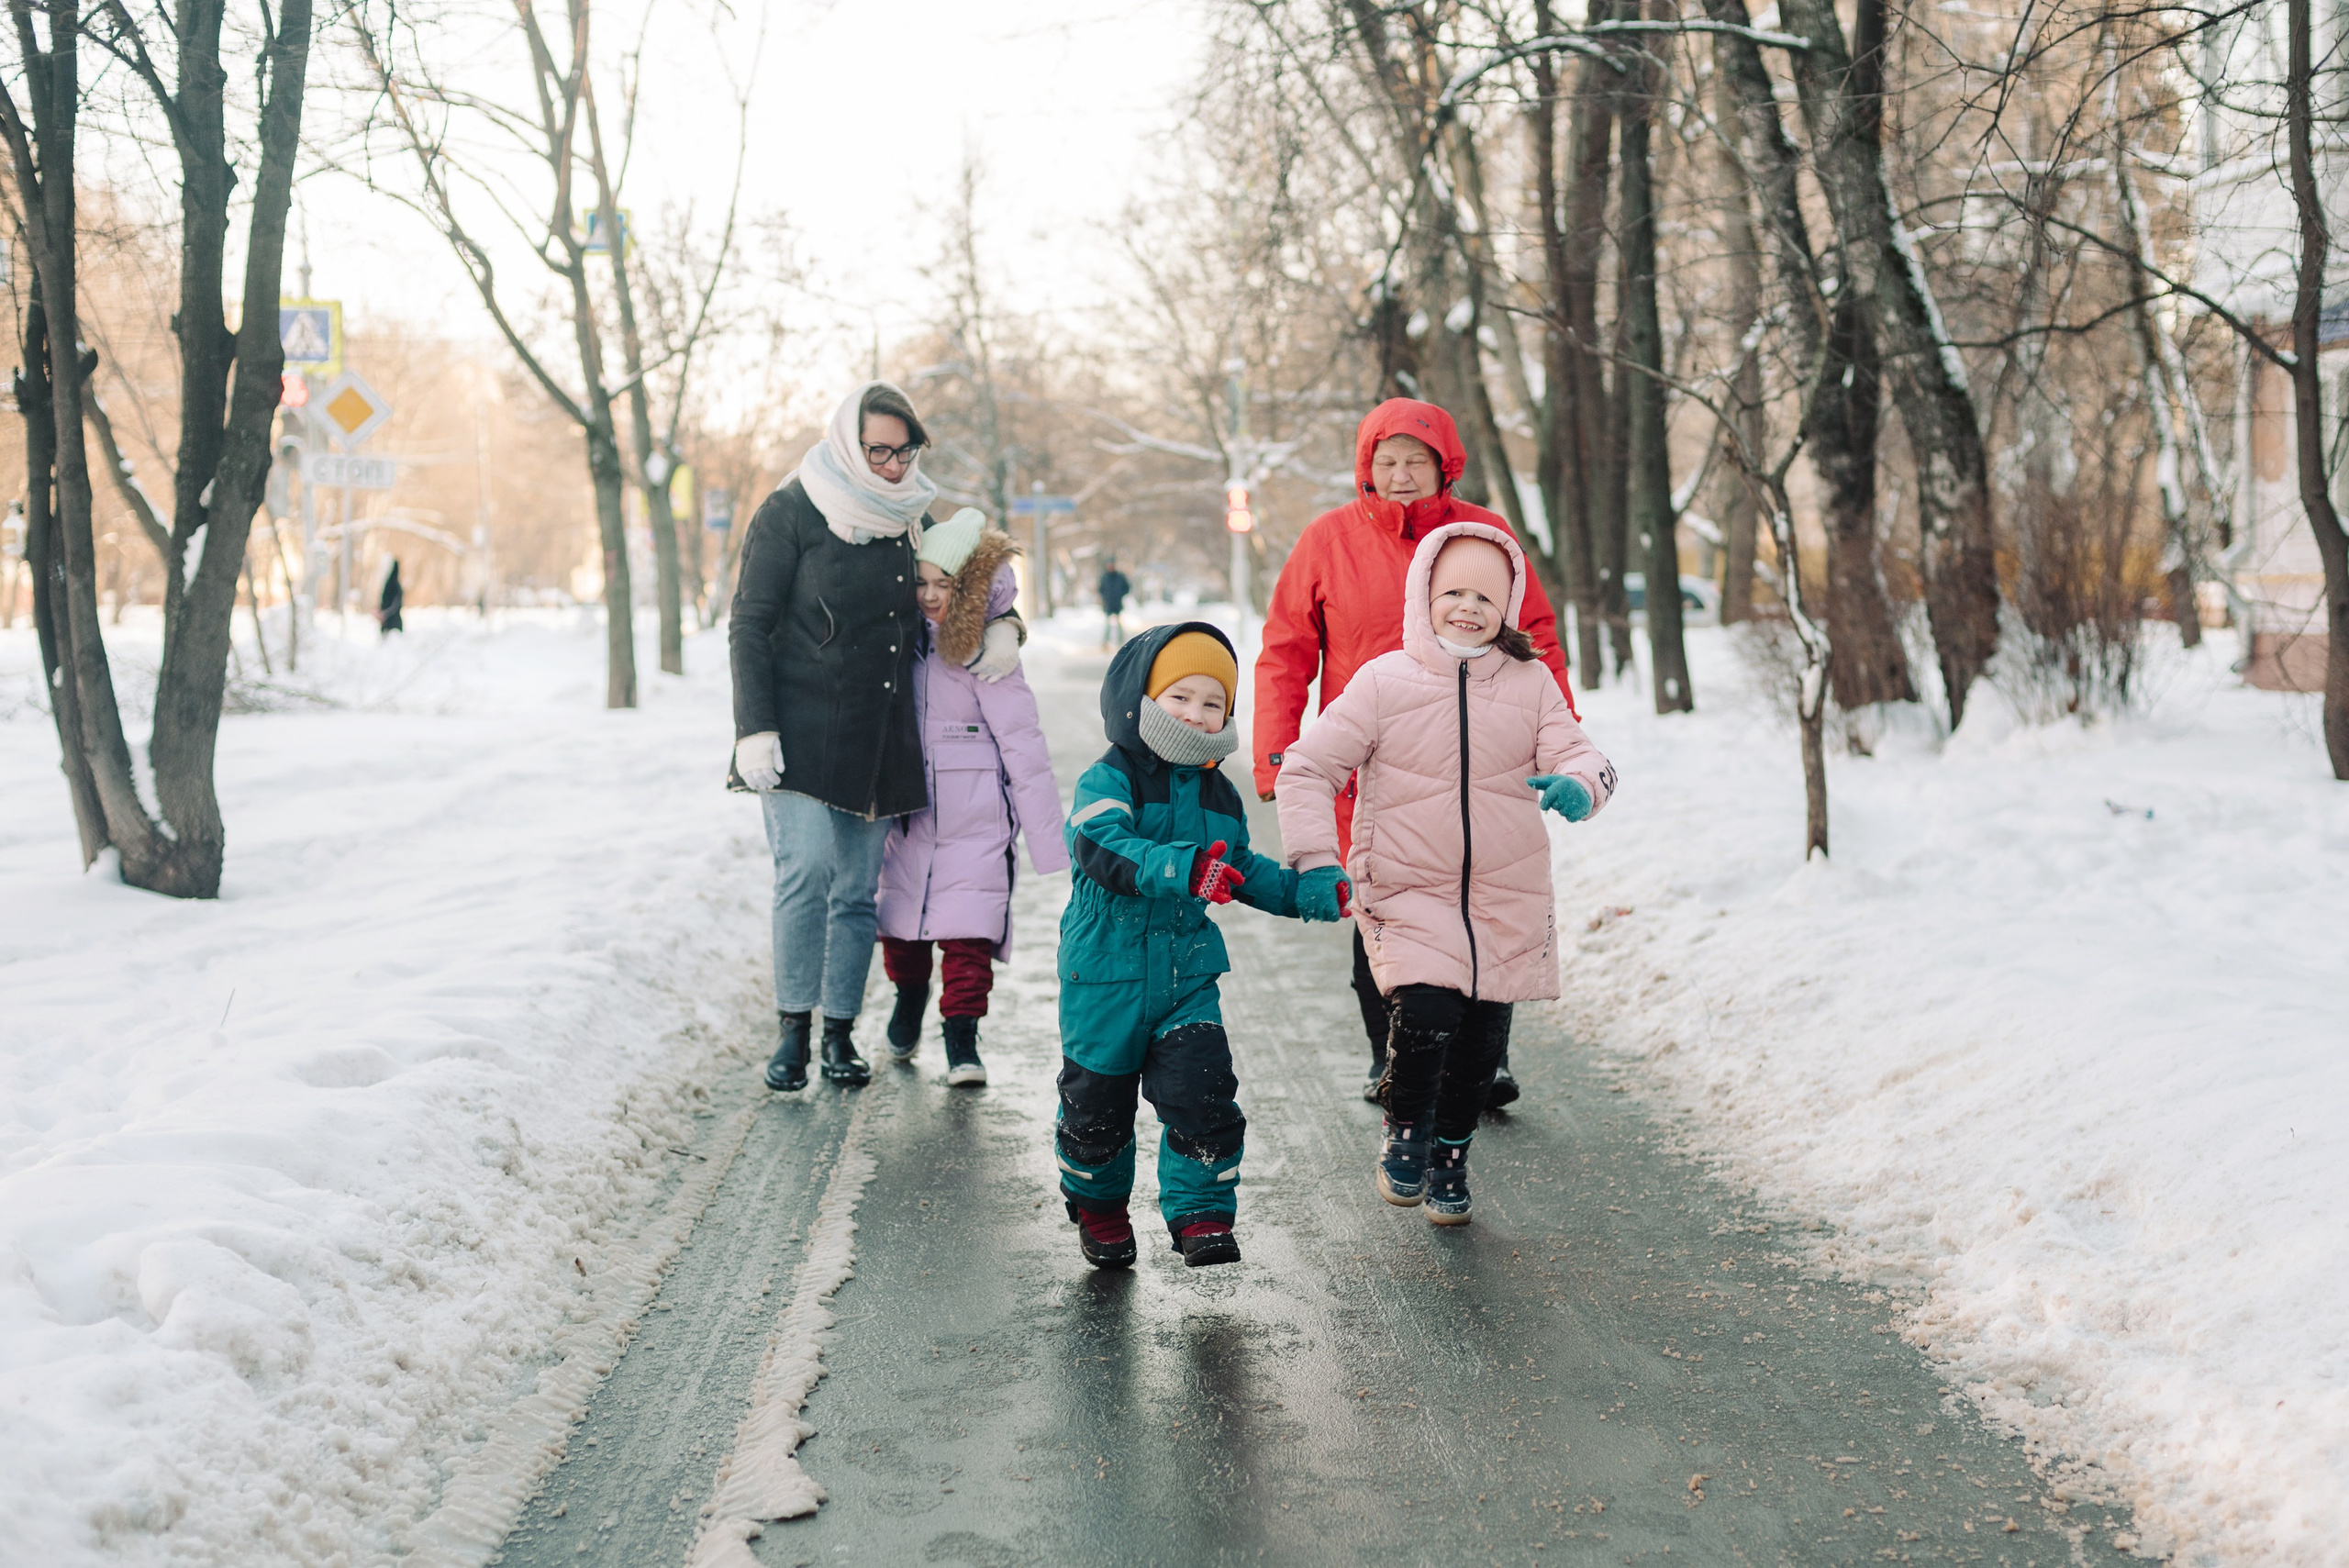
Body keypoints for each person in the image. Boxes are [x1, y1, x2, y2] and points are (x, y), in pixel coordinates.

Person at [1277, 523, 1615, 1225]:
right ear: (1424, 596)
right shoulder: (1384, 680)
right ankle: (1406, 1128)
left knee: (1481, 1048)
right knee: (1427, 1013)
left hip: (1505, 893)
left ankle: (1451, 1153)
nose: (1467, 607)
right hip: (1406, 886)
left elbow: (1582, 751)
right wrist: (1314, 858)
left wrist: (1580, 786)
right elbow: (1309, 767)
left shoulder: (1531, 683)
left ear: (1508, 607)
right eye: (1453, 591)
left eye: (1484, 597)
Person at [1253, 398, 1576, 1107]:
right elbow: (1286, 653)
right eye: (1386, 461)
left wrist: (1560, 736)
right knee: (1383, 903)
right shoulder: (1327, 540)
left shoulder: (1484, 534)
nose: (1400, 475)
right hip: (1372, 759)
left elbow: (1537, 635)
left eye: (1415, 462)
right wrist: (1279, 758)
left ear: (1444, 466)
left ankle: (1481, 1060)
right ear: (1366, 468)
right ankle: (1390, 1056)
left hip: (1482, 755)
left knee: (1484, 896)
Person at [728, 383, 1024, 1093]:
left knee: (858, 890)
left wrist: (1008, 628)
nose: (893, 466)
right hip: (796, 730)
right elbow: (750, 622)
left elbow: (968, 588)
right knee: (804, 873)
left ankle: (839, 1034)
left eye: (904, 450)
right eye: (878, 450)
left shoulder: (913, 520)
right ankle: (793, 1029)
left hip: (882, 732)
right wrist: (753, 727)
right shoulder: (792, 509)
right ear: (847, 444)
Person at [1054, 623, 1341, 1271]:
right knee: (1096, 1107)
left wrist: (1305, 893)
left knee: (1203, 1088)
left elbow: (1241, 867)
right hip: (1104, 973)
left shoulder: (1220, 791)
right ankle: (1099, 1206)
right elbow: (1100, 847)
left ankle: (1201, 1213)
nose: (1197, 713)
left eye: (1213, 703)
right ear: (1143, 700)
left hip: (1186, 973)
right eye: (1181, 697)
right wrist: (1179, 869)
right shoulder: (1110, 778)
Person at [876, 509, 1067, 1086]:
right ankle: (908, 999)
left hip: (977, 819)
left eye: (946, 585)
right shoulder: (897, 640)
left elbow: (1023, 746)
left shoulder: (990, 652)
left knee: (969, 937)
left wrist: (1048, 843)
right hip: (907, 817)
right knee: (901, 929)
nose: (931, 596)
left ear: (970, 588)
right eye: (922, 582)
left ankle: (963, 1041)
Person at [1097, 556, 1131, 649]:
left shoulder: (1120, 576)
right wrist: (1105, 597)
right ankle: (1106, 643)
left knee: (1119, 624)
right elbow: (1100, 589)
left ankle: (1121, 643)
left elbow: (1127, 588)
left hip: (1117, 604)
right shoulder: (1105, 577)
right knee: (1108, 625)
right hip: (1108, 604)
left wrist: (1120, 594)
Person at [377, 559, 405, 637]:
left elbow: (395, 605)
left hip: (394, 624)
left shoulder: (395, 586)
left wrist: (384, 614)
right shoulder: (388, 584)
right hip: (386, 622)